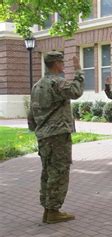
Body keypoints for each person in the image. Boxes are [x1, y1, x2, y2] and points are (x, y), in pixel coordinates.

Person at [27, 51, 83, 224]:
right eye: (61, 62)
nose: (63, 65)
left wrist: (37, 130)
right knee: (59, 172)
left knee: (47, 172)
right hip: (57, 135)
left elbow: (31, 112)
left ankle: (47, 209)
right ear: (56, 64)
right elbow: (76, 91)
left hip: (44, 135)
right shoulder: (56, 82)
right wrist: (78, 72)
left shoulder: (37, 85)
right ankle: (53, 211)